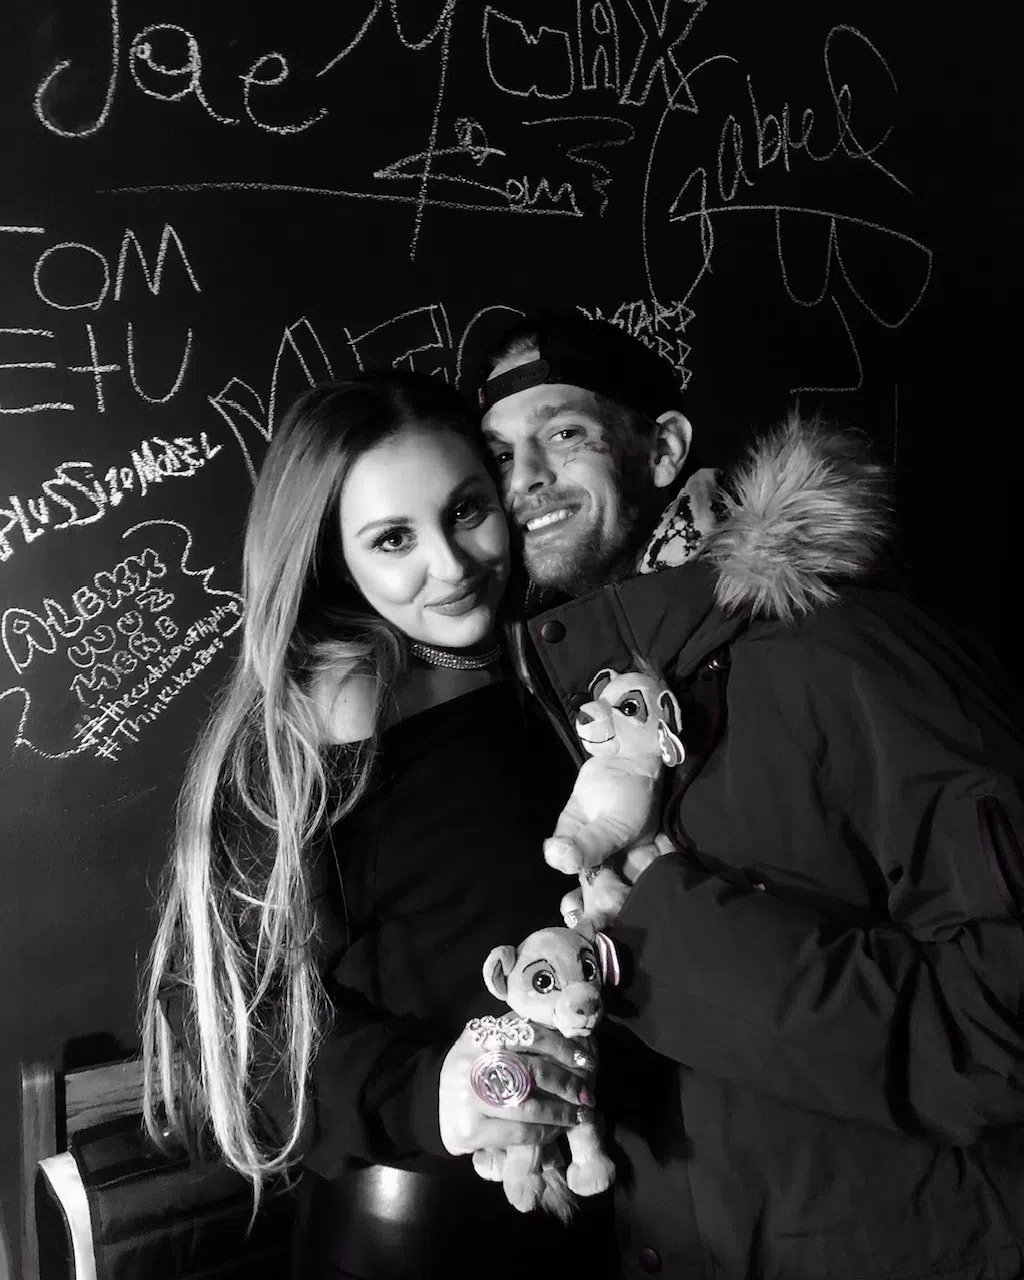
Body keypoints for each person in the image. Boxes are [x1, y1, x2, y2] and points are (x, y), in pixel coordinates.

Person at [474, 309, 1024, 1280]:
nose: (525, 480)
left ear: (662, 449)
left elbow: (998, 1025)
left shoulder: (844, 648)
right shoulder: (579, 717)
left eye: (562, 433)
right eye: (501, 456)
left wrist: (656, 933)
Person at [140, 372, 617, 1280]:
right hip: (431, 1232)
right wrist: (431, 1093)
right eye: (393, 539)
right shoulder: (327, 722)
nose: (452, 564)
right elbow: (232, 1035)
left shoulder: (553, 657)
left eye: (466, 511)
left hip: (638, 1208)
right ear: (333, 559)